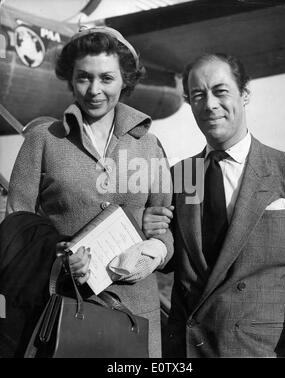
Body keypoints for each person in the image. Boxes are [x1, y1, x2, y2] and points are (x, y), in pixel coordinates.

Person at [6, 26, 173, 357]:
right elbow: (15, 230)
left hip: (136, 316)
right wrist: (57, 261)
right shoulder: (42, 140)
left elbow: (168, 228)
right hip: (65, 311)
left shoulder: (150, 146)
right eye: (84, 77)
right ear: (70, 79)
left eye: (107, 78)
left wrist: (153, 253)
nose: (95, 90)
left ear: (125, 80)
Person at [142, 53, 285, 357]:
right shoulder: (181, 174)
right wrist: (148, 229)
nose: (210, 104)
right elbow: (171, 258)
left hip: (257, 350)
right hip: (186, 351)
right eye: (198, 95)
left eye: (220, 91)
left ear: (244, 95)